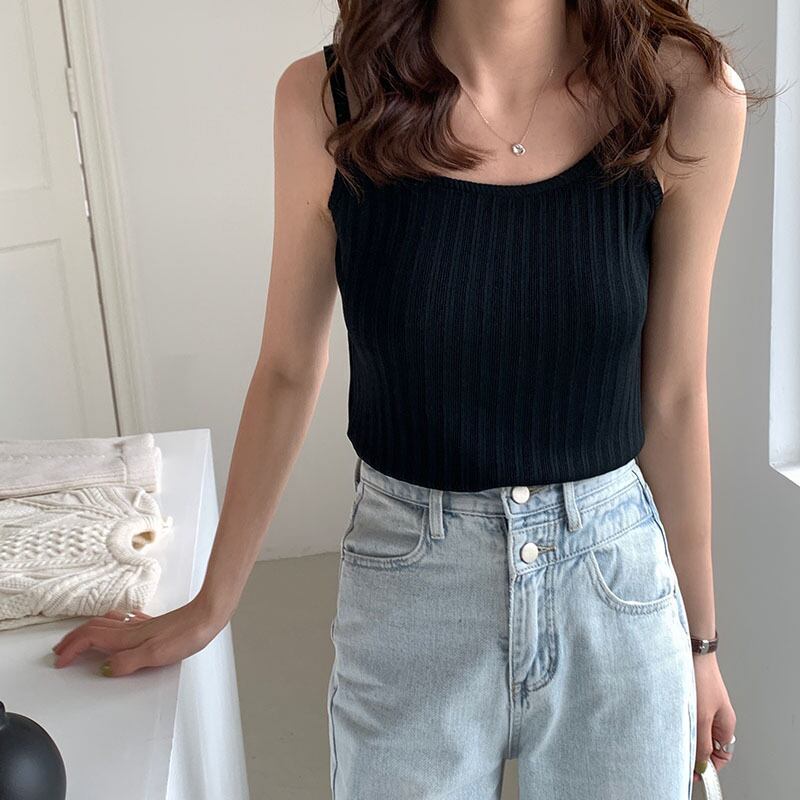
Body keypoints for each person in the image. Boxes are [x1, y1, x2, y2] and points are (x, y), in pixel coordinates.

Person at [53, 1, 763, 797]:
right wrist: (211, 604)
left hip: (615, 585)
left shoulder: (681, 94)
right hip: (412, 583)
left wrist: (701, 648)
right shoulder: (330, 100)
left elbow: (673, 393)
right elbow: (289, 366)